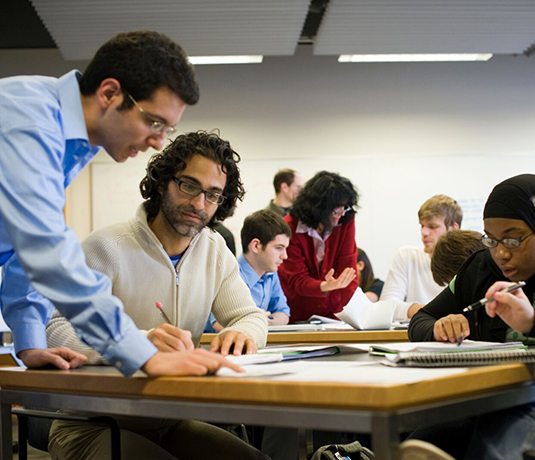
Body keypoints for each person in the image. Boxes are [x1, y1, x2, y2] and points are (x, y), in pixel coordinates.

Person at [0, 30, 241, 377]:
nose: (159, 142)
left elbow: (22, 247)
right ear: (109, 94)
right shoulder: (30, 124)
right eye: (154, 122)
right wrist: (143, 354)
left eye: (167, 129)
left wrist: (30, 343)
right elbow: (46, 251)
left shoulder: (68, 140)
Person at [45, 131, 269, 459]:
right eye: (189, 185)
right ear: (163, 183)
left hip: (170, 421)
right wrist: (139, 343)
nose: (199, 204)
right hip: (92, 424)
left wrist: (242, 334)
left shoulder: (215, 250)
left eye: (212, 194)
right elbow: (56, 329)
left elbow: (249, 316)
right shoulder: (106, 246)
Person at [405, 174, 535, 460]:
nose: (501, 253)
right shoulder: (479, 268)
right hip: (488, 400)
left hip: (524, 402)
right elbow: (421, 319)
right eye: (492, 240)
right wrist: (439, 327)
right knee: (415, 447)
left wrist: (531, 324)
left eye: (513, 239)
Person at [278, 171, 359, 322]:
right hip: (298, 312)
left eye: (345, 207)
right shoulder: (290, 227)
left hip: (334, 313)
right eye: (337, 209)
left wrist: (355, 317)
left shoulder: (345, 220)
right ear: (319, 208)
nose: (342, 213)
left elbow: (348, 270)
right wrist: (324, 286)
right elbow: (296, 279)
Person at [380, 194, 462, 321]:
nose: (424, 232)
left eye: (432, 227)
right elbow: (385, 307)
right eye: (422, 226)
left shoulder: (467, 261)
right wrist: (429, 311)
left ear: (453, 229)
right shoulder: (406, 255)